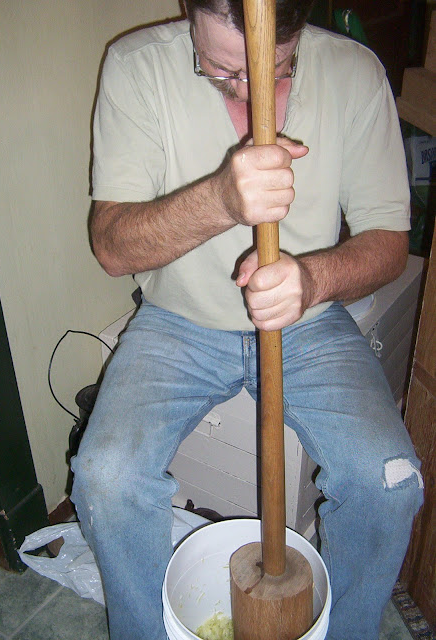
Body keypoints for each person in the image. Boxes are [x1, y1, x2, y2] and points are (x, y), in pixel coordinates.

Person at [70, 1, 424, 638]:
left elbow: (389, 241)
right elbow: (112, 247)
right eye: (219, 69)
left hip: (308, 322)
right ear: (189, 11)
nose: (248, 88)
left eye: (278, 67)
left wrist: (311, 279)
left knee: (389, 483)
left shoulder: (354, 72)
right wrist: (221, 199)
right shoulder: (136, 66)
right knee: (107, 477)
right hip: (177, 320)